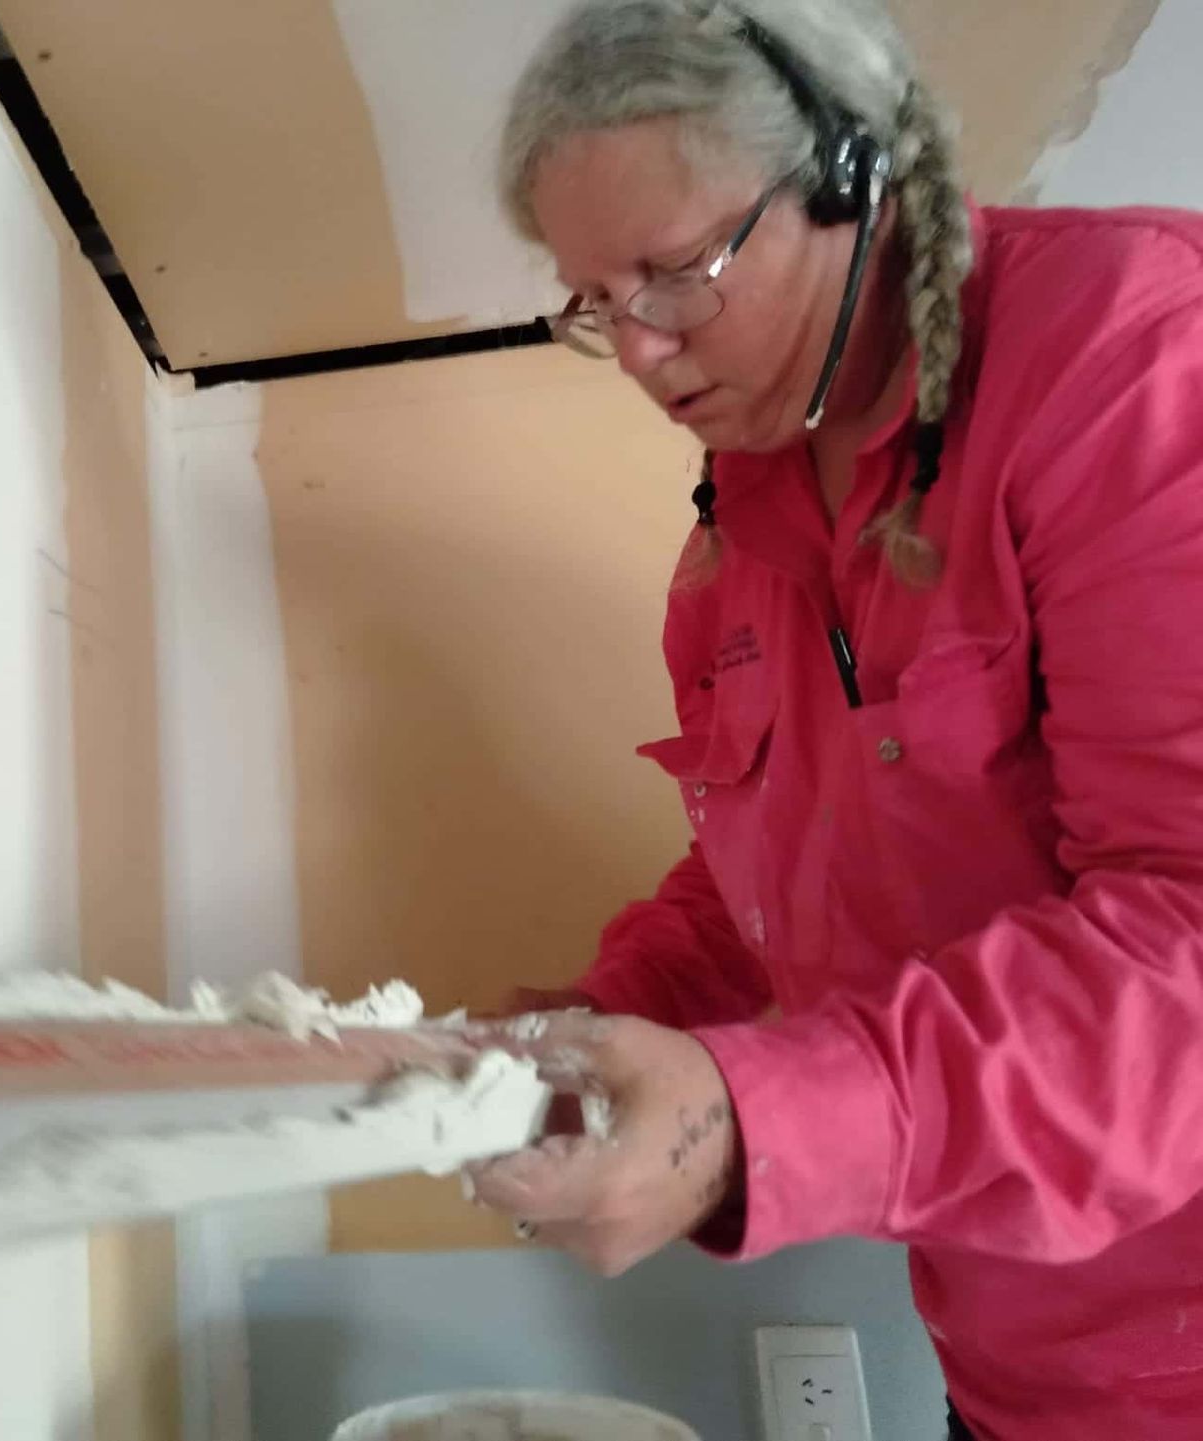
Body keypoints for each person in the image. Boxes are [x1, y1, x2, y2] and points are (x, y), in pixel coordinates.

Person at [462, 3, 1203, 1438]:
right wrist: (606, 1023)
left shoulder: (1134, 366)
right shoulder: (732, 550)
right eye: (597, 305)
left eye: (675, 276)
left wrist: (752, 1121)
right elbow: (767, 887)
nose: (639, 353)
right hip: (1016, 1377)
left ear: (855, 179)